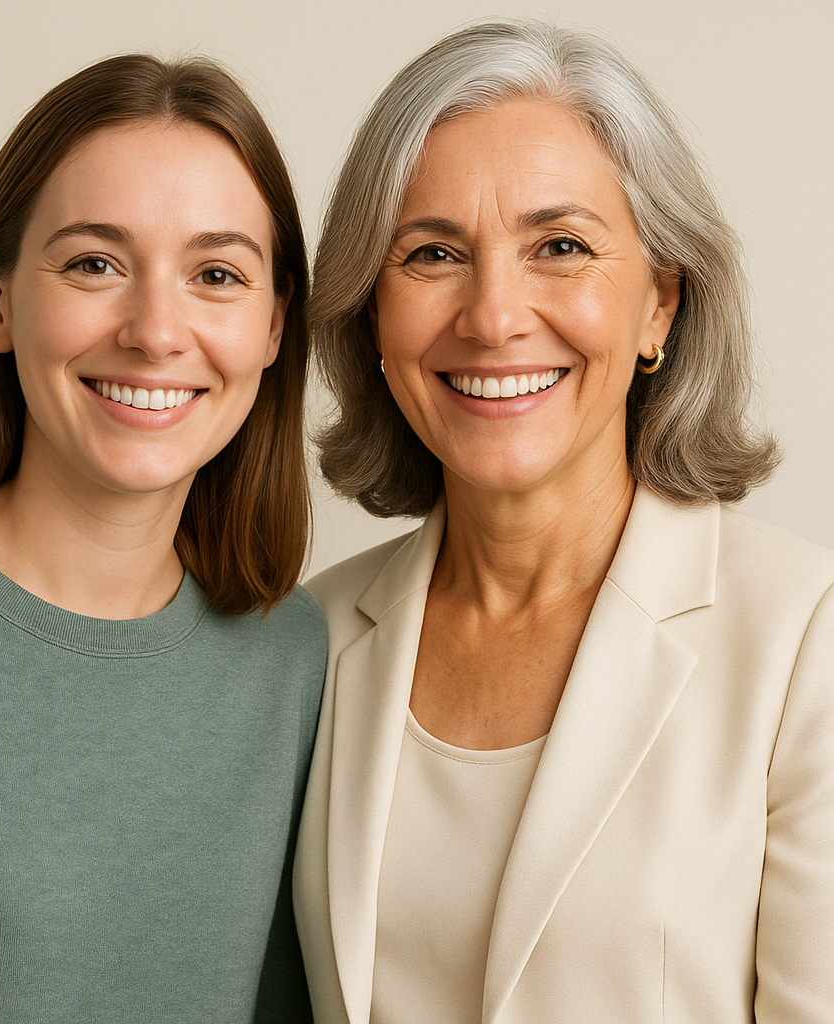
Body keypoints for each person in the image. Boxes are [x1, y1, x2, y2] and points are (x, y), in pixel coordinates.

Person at [292, 21, 834, 1024]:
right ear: (372, 312)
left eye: (560, 247)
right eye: (432, 253)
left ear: (659, 306)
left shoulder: (806, 640)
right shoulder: (303, 643)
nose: (492, 315)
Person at [0, 54, 326, 1023]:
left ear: (271, 325)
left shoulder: (296, 658)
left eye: (216, 274)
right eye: (95, 263)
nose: (155, 330)